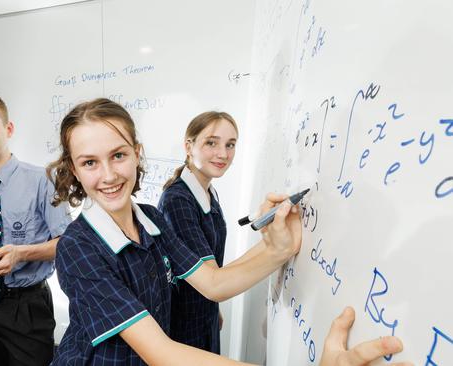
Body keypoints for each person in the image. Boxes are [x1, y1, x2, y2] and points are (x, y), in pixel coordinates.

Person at [45, 98, 410, 365]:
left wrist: (280, 249)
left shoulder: (151, 219)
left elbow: (213, 283)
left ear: (137, 153)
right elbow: (160, 352)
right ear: (74, 170)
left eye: (118, 155)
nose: (108, 175)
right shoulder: (79, 247)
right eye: (89, 163)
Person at [0, 87, 71, 366]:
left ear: (8, 128)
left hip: (26, 303)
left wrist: (20, 254)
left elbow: (67, 244)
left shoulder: (44, 179)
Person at [158, 111, 239, 353]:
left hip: (205, 311)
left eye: (230, 144)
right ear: (188, 146)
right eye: (211, 143)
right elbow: (210, 276)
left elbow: (206, 261)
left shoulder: (208, 192)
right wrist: (275, 247)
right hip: (183, 320)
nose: (223, 154)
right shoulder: (177, 200)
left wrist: (214, 310)